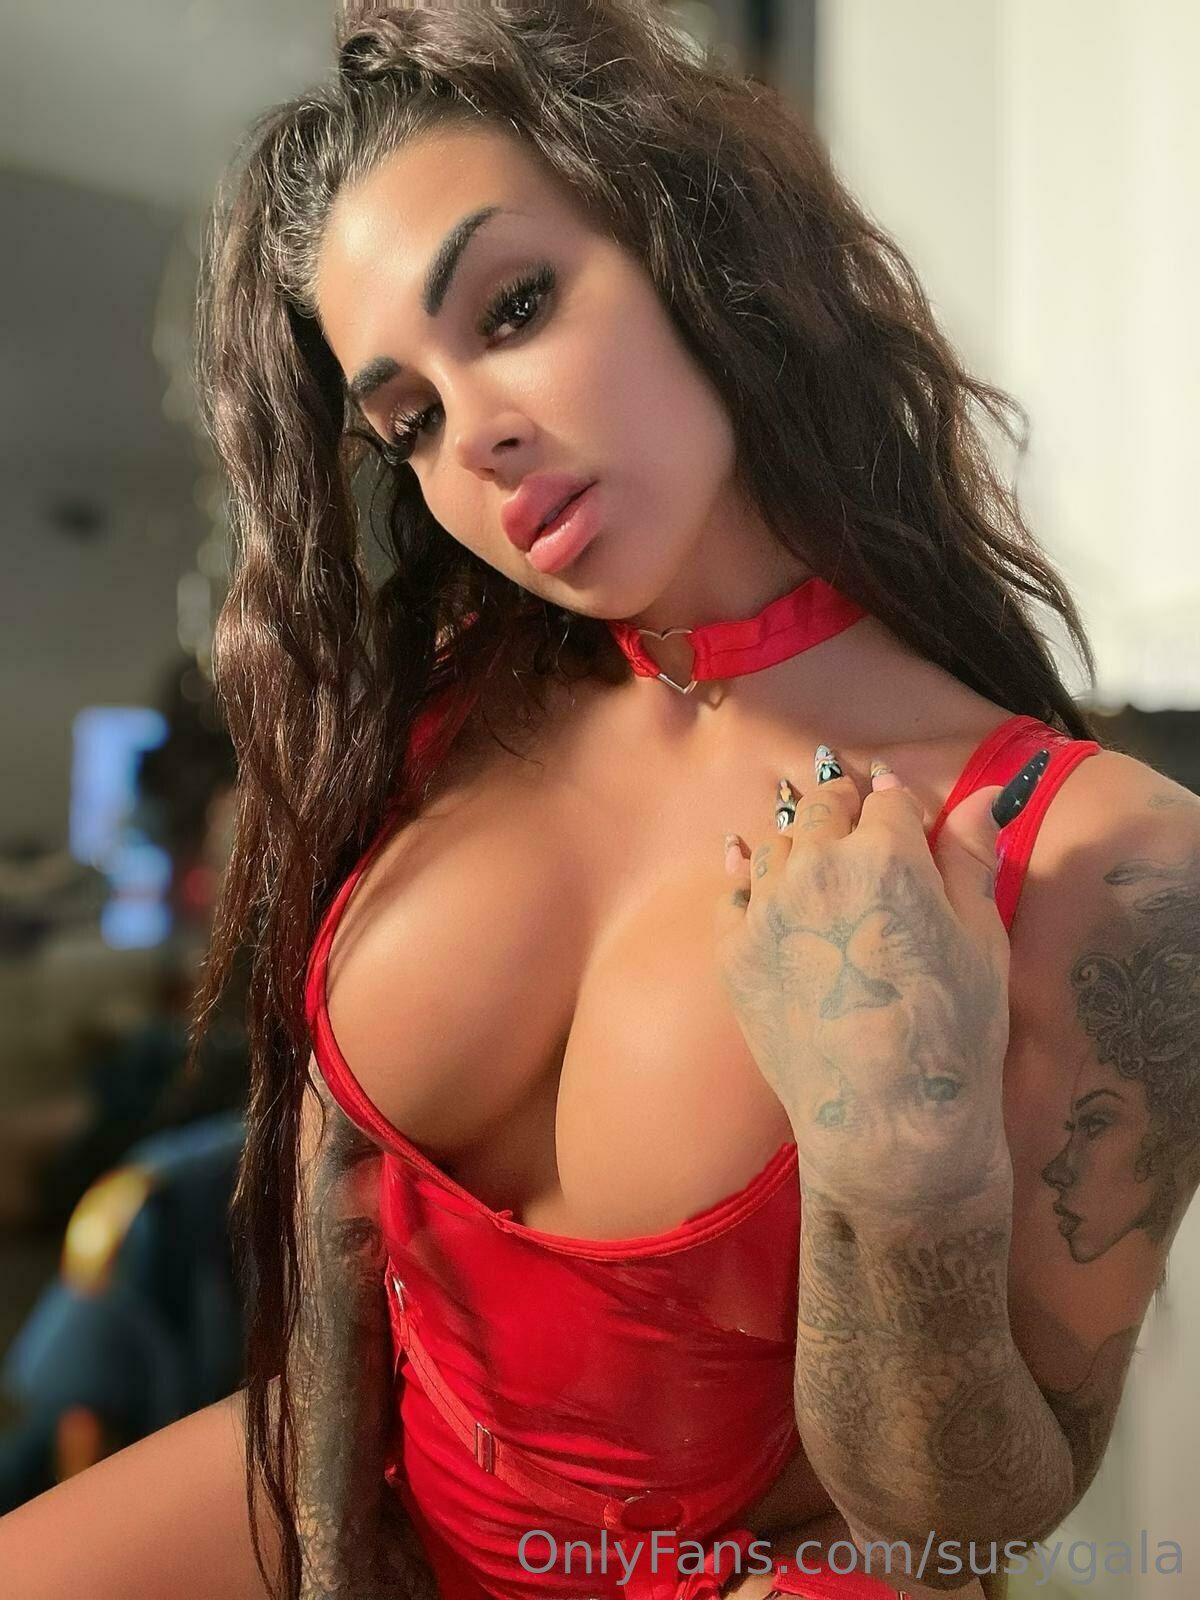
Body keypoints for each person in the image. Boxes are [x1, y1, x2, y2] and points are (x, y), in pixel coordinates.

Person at [3, 2, 1197, 1597]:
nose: (478, 438)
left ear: (698, 245)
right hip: (377, 1508)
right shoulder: (447, 720)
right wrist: (340, 1566)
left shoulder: (1110, 861)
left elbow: (970, 1523)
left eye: (515, 305)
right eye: (410, 422)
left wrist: (906, 1175)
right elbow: (334, 1213)